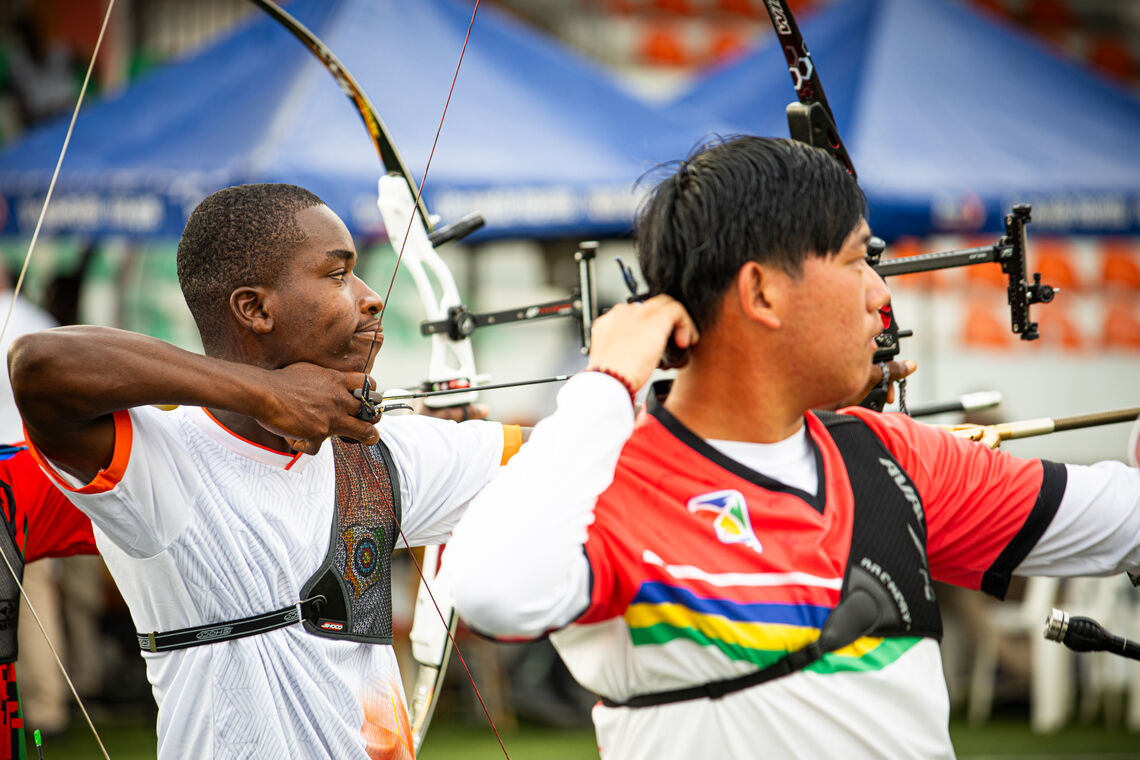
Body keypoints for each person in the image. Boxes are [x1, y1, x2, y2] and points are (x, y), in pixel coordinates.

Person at [440, 136, 1140, 759]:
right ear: (763, 293)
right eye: (858, 261)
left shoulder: (893, 459)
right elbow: (494, 593)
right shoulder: (616, 482)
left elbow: (1126, 519)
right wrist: (605, 385)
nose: (880, 295)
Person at [8, 183, 523, 759]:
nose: (371, 298)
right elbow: (40, 366)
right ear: (254, 309)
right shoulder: (163, 460)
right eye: (336, 275)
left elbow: (571, 464)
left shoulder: (377, 449)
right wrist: (271, 396)